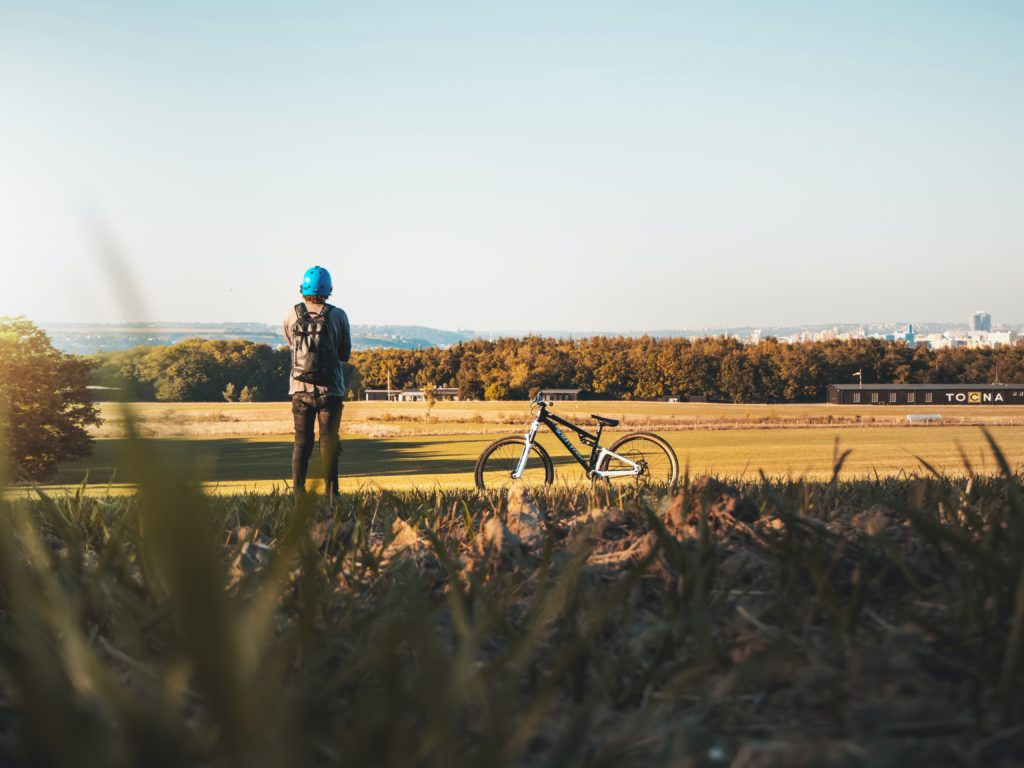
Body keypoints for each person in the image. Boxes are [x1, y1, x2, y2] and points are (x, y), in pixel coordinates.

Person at [283, 265, 351, 502]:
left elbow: (291, 344)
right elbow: (345, 354)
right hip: (330, 390)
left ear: (302, 288)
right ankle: (332, 494)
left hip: (299, 389)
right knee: (328, 441)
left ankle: (297, 493)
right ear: (328, 289)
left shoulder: (292, 313)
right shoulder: (338, 315)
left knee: (301, 442)